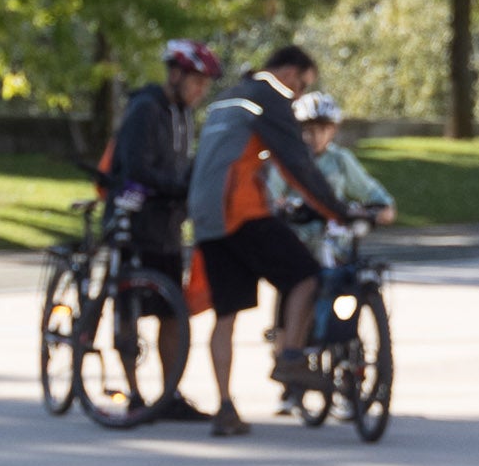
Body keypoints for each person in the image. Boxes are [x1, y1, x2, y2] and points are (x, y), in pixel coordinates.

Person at [183, 41, 349, 436]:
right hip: (240, 213)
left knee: (226, 314)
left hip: (206, 218)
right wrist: (337, 211)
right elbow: (296, 165)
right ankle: (290, 356)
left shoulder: (227, 98)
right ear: (290, 74)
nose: (300, 96)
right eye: (303, 86)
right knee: (306, 275)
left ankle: (225, 408)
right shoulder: (269, 97)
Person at [107, 42, 218, 423]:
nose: (201, 91)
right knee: (130, 313)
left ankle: (168, 394)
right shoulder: (145, 109)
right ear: (176, 74)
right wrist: (178, 189)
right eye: (197, 82)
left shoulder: (183, 115)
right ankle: (135, 394)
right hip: (134, 224)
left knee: (173, 315)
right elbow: (136, 169)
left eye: (205, 85)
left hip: (167, 228)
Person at [293, 91, 395, 227]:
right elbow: (271, 193)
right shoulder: (288, 158)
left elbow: (370, 191)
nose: (316, 136)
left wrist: (382, 208)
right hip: (294, 235)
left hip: (333, 237)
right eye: (309, 129)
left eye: (323, 129)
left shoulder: (340, 159)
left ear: (333, 130)